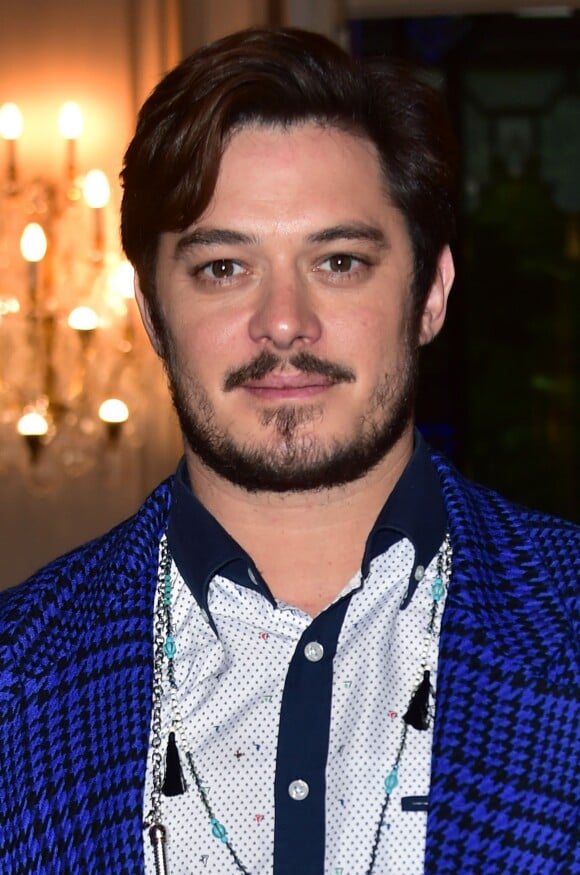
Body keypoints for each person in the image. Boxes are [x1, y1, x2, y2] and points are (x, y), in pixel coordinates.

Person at [0, 27, 577, 875]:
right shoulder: (16, 674)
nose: (283, 321)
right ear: (152, 312)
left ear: (431, 294)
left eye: (339, 261)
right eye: (224, 267)